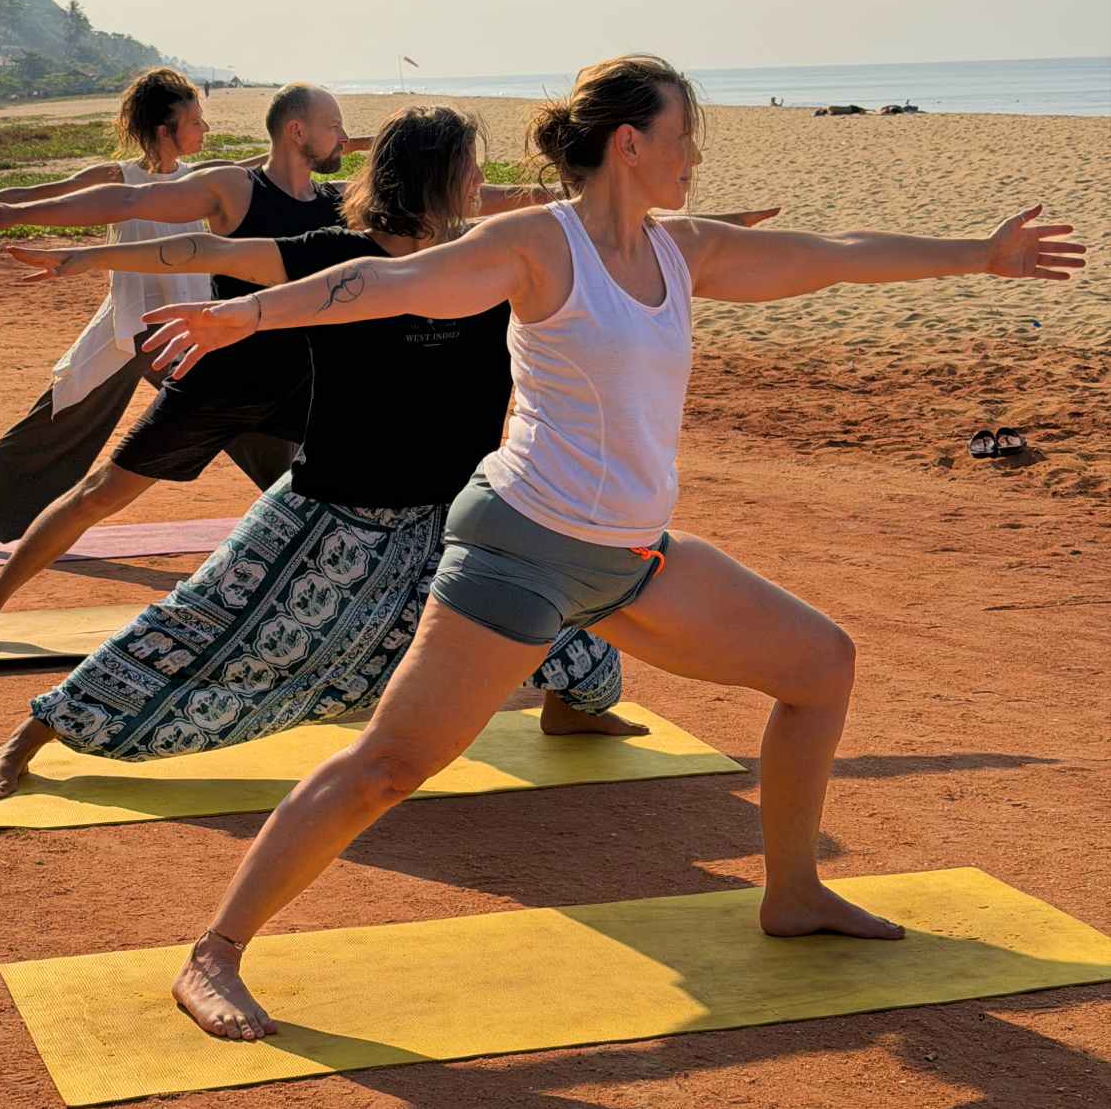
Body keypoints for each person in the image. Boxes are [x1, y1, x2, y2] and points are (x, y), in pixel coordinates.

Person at [136, 55, 1085, 1040]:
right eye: (683, 135)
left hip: (631, 557)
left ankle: (794, 891)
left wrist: (982, 255)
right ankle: (215, 950)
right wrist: (243, 313)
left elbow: (830, 253)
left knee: (820, 665)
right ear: (629, 143)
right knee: (389, 765)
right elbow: (391, 280)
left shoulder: (682, 251)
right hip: (520, 551)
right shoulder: (538, 247)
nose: (694, 155)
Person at [0, 105, 646, 803]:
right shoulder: (335, 254)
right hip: (338, 506)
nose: (479, 180)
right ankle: (38, 730)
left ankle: (574, 705)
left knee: (551, 599)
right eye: (468, 166)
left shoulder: (488, 257)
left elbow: (592, 231)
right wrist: (87, 258)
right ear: (435, 175)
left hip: (456, 507)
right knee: (205, 626)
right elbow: (208, 253)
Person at [0, 84, 370, 643]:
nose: (344, 137)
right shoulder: (227, 186)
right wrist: (13, 211)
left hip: (287, 378)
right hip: (194, 363)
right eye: (334, 126)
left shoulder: (334, 201)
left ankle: (354, 618)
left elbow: (427, 200)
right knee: (94, 483)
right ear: (297, 132)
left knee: (335, 491)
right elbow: (125, 201)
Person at [0, 67, 262, 557]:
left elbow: (274, 161)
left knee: (245, 415)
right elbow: (41, 195)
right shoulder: (118, 178)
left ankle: (301, 512)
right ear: (165, 130)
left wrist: (353, 144)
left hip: (185, 327)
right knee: (56, 414)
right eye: (195, 121)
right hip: (127, 326)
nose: (204, 129)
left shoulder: (201, 180)